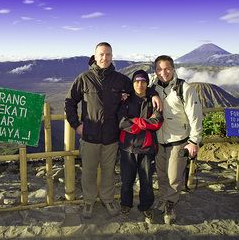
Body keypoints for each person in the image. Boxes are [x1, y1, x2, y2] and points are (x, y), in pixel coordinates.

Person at [64, 42, 161, 218]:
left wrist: (153, 93)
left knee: (109, 172)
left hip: (111, 137)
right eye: (101, 54)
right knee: (88, 172)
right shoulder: (84, 78)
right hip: (89, 136)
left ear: (112, 56)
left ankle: (108, 199)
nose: (104, 58)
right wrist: (76, 124)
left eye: (108, 54)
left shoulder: (120, 79)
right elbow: (70, 101)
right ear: (95, 56)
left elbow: (139, 88)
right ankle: (88, 201)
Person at [150, 55, 203, 225]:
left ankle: (170, 204)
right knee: (162, 174)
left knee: (174, 176)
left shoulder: (184, 89)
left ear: (173, 69)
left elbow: (195, 116)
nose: (163, 72)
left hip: (178, 140)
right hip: (158, 140)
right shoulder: (153, 86)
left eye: (167, 69)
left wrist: (194, 141)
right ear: (155, 71)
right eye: (159, 69)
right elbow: (137, 86)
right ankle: (163, 199)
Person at [118, 70, 163, 224]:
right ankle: (125, 205)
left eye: (143, 81)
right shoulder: (125, 100)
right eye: (137, 81)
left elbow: (157, 122)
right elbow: (122, 122)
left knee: (146, 181)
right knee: (126, 181)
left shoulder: (153, 101)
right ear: (133, 83)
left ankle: (146, 207)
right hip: (128, 148)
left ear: (147, 83)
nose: (140, 84)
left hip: (147, 148)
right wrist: (143, 123)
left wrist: (135, 122)